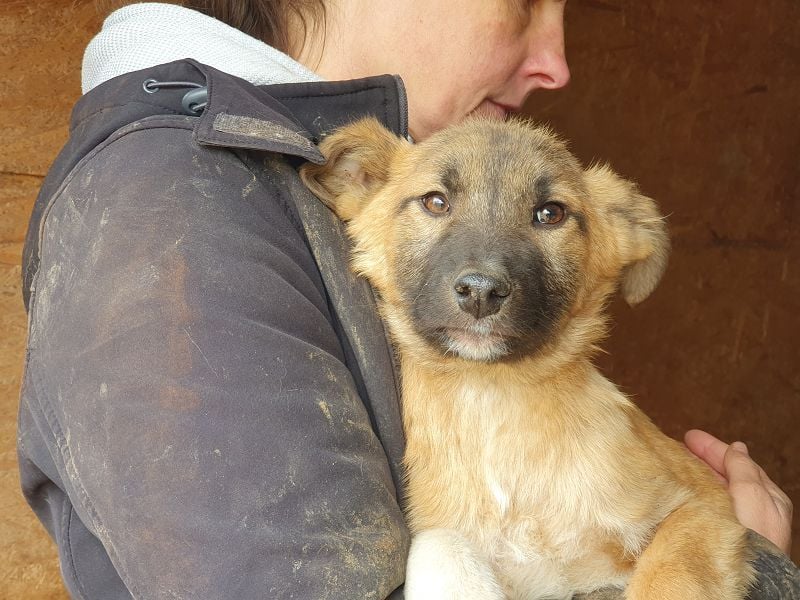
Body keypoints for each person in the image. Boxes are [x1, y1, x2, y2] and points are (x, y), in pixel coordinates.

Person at [17, 1, 793, 598]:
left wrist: (702, 550)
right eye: (523, 5)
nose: (556, 64)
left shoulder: (275, 177)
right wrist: (749, 570)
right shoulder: (172, 213)